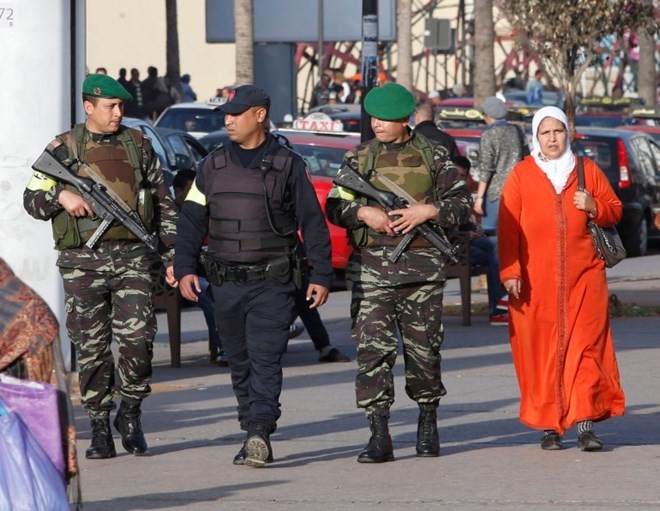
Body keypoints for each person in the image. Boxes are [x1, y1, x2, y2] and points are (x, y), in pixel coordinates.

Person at [171, 85, 333, 468]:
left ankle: (260, 431)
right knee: (239, 360)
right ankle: (251, 428)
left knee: (264, 358)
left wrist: (322, 274)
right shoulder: (210, 166)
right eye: (225, 114)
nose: (226, 120)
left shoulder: (288, 164)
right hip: (225, 283)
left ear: (259, 115)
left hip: (273, 283)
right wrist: (184, 268)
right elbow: (192, 220)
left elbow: (313, 223)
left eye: (235, 114)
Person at [23, 74, 178, 459]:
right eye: (110, 106)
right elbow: (31, 199)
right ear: (88, 106)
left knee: (138, 343)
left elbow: (163, 204)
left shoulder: (138, 143)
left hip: (133, 259)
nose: (118, 113)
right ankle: (98, 426)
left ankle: (131, 412)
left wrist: (175, 257)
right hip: (82, 263)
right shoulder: (63, 149)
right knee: (90, 348)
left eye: (121, 106)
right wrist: (61, 194)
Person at [326, 82, 471, 463]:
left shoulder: (434, 155)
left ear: (405, 119)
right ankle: (378, 433)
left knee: (424, 353)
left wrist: (429, 211)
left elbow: (463, 207)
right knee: (372, 354)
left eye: (385, 119)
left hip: (422, 273)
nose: (377, 124)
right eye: (373, 117)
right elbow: (333, 205)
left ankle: (427, 420)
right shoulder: (359, 158)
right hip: (373, 271)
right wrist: (363, 213)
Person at [498, 106, 625, 451]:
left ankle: (584, 423)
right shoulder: (522, 174)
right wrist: (510, 272)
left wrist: (594, 205)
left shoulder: (586, 170)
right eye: (545, 133)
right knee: (541, 353)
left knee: (585, 348)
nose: (552, 139)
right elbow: (508, 227)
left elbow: (615, 209)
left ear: (567, 133)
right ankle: (549, 425)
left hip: (585, 278)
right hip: (534, 284)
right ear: (535, 137)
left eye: (558, 132)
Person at [473, 96, 527, 326]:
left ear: (487, 115)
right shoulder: (516, 131)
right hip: (518, 192)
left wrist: (480, 197)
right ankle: (512, 302)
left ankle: (499, 304)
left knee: (496, 251)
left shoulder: (489, 135)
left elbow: (486, 168)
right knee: (513, 249)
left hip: (496, 197)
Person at [171, 170, 228, 366]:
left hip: (204, 270)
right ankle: (225, 348)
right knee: (207, 294)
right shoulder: (171, 215)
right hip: (175, 277)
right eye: (189, 190)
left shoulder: (202, 212)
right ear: (178, 191)